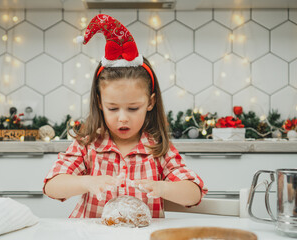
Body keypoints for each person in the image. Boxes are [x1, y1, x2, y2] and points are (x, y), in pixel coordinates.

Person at [43, 14, 207, 218]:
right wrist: (86, 182)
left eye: (132, 108)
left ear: (150, 102)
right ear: (99, 103)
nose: (122, 118)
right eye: (113, 108)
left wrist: (163, 188)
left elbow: (193, 194)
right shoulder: (88, 144)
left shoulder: (158, 148)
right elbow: (52, 186)